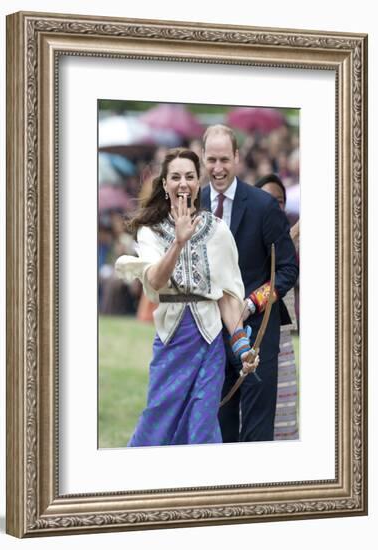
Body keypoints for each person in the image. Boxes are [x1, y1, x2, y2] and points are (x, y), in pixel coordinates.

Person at [115, 147, 258, 447]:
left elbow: (227, 297)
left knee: (202, 425)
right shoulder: (150, 232)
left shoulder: (218, 230)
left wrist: (242, 347)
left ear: (199, 181)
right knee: (158, 417)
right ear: (165, 184)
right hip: (172, 339)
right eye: (176, 177)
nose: (183, 183)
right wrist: (178, 243)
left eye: (190, 176)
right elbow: (154, 280)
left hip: (210, 341)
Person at [201, 125, 299, 442]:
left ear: (238, 158)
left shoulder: (263, 206)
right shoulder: (192, 206)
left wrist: (254, 302)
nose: (218, 168)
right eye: (212, 160)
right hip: (208, 334)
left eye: (224, 160)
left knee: (256, 433)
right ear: (203, 158)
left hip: (256, 330)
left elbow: (286, 269)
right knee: (218, 427)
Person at [255, 173, 299, 440]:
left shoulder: (289, 242)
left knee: (284, 413)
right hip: (253, 335)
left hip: (282, 339)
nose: (274, 206)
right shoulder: (249, 238)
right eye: (268, 200)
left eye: (279, 201)